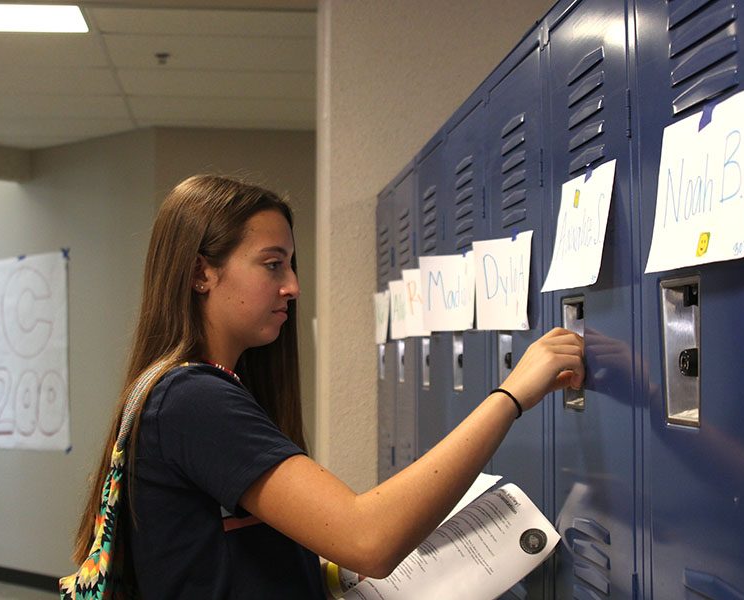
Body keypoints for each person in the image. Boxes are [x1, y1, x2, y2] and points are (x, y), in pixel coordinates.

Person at [70, 174, 585, 599]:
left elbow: (211, 566)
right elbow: (368, 538)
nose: (292, 285)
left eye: (291, 265)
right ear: (201, 273)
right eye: (273, 264)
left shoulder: (184, 391)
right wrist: (512, 396)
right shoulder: (192, 399)